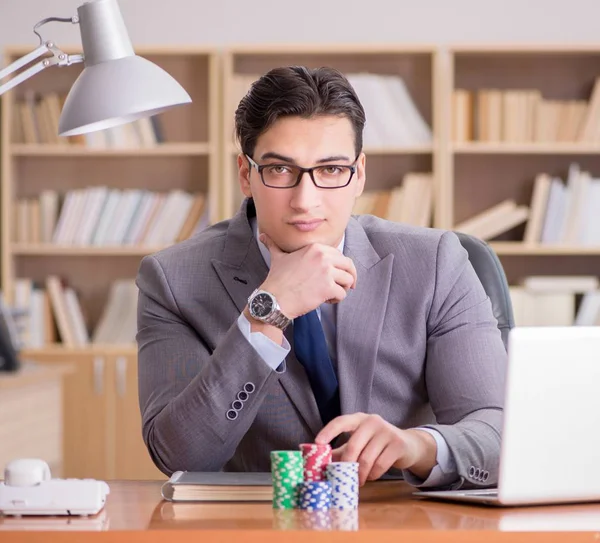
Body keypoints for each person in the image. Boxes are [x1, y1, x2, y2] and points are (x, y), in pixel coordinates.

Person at [136, 66, 507, 489]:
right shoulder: (173, 280)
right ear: (246, 174)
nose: (305, 201)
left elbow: (497, 435)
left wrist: (416, 446)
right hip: (261, 524)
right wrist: (266, 314)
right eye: (279, 170)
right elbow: (179, 455)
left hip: (404, 520)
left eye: (330, 170)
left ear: (359, 174)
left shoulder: (436, 263)